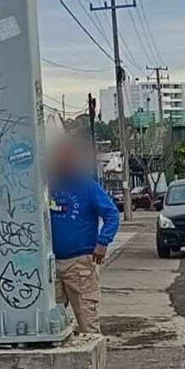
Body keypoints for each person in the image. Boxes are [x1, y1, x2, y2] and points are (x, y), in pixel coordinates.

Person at [49, 138, 119, 334]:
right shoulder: (48, 186)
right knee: (50, 324)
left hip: (79, 263)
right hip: (50, 263)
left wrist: (103, 241)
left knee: (87, 322)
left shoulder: (87, 186)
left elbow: (111, 214)